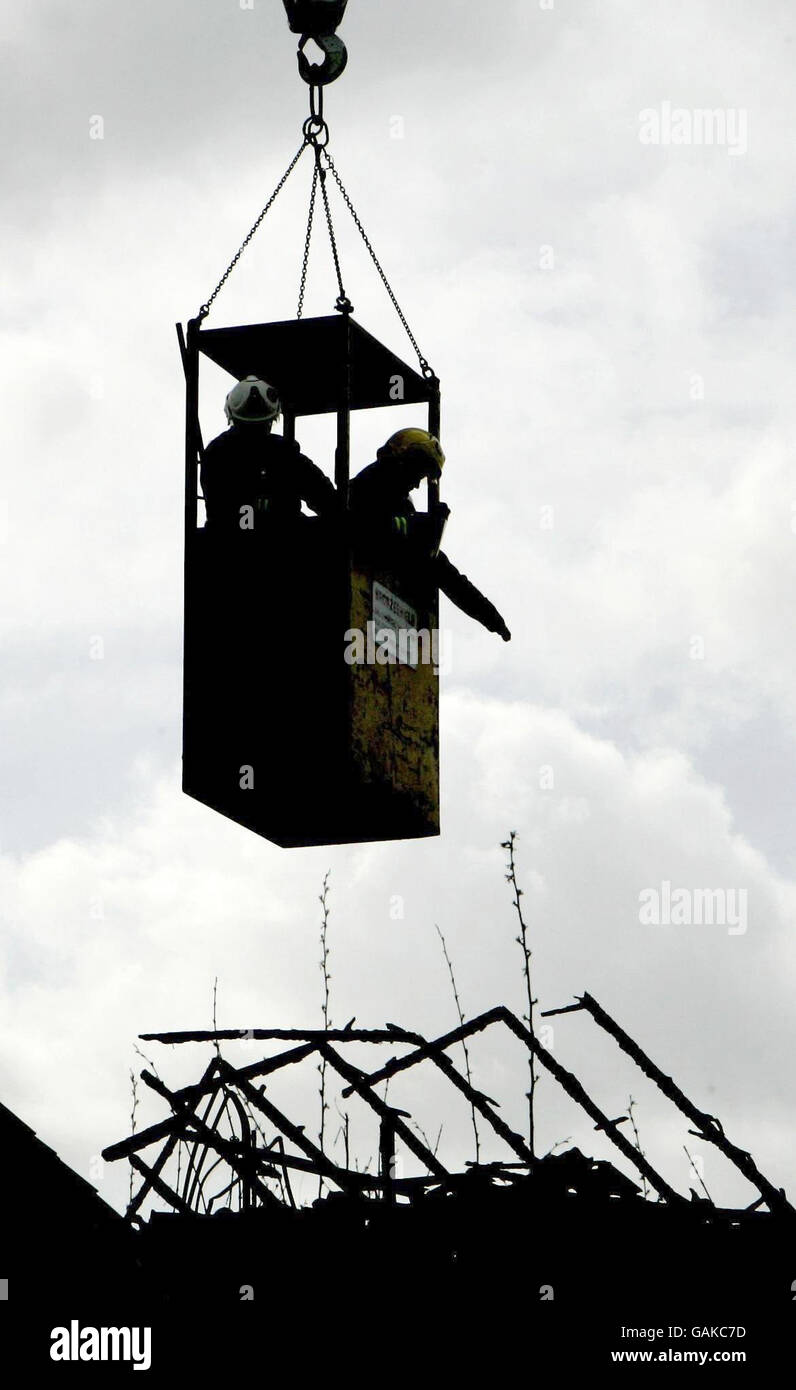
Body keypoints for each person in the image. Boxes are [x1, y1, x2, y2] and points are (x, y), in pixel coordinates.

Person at [349, 427, 511, 641]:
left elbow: (440, 568)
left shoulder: (394, 499)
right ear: (401, 459)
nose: (416, 484)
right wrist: (420, 529)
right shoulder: (366, 489)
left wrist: (491, 618)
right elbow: (371, 530)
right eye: (417, 473)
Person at [201, 375, 337, 532]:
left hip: (227, 550)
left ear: (232, 416)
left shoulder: (216, 454)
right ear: (271, 420)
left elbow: (221, 514)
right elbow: (325, 497)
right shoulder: (284, 453)